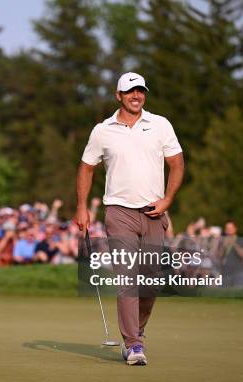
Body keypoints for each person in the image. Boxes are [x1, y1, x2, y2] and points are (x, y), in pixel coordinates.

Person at [74, 72, 185, 366]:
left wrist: (168, 200)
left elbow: (177, 164)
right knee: (127, 278)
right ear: (118, 95)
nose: (136, 96)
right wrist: (82, 206)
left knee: (150, 282)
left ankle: (138, 330)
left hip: (154, 211)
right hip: (118, 212)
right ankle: (133, 344)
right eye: (130, 91)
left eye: (141, 91)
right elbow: (86, 168)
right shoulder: (102, 130)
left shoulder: (160, 125)